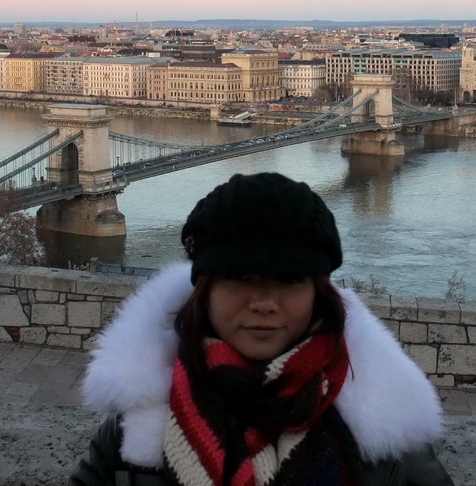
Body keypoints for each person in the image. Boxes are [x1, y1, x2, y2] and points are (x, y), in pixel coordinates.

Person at [70, 172, 454, 486]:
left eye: (288, 281)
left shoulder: (392, 441)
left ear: (318, 294)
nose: (263, 302)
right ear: (204, 291)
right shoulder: (131, 426)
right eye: (239, 277)